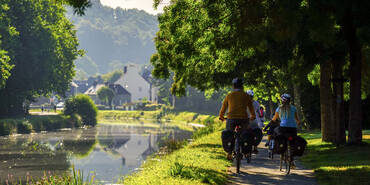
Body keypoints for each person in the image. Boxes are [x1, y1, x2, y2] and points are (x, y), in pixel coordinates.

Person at [219, 78, 256, 160]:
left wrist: (221, 116)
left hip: (231, 119)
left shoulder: (229, 95)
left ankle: (229, 152)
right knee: (245, 134)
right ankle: (245, 151)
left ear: (233, 86)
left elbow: (223, 108)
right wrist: (253, 116)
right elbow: (251, 108)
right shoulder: (246, 96)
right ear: (242, 86)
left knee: (229, 134)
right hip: (243, 119)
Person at [272, 93, 300, 167]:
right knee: (292, 143)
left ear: (282, 101)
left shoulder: (279, 108)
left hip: (283, 128)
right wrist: (297, 123)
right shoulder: (294, 108)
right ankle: (292, 160)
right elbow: (297, 120)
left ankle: (277, 148)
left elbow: (274, 119)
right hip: (293, 128)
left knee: (276, 132)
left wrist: (272, 121)